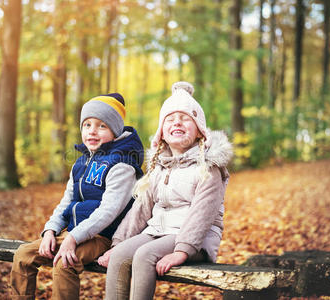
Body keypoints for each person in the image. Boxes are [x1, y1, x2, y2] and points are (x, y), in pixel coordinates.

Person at [98, 82, 233, 300]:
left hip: (194, 240)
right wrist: (120, 243)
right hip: (157, 232)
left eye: (185, 118)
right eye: (170, 119)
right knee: (121, 256)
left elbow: (202, 214)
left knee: (143, 256)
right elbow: (140, 209)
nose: (177, 122)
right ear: (161, 133)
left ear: (200, 131)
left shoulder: (208, 168)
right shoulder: (159, 166)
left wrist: (183, 250)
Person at [10, 93, 144, 300]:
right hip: (73, 233)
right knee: (23, 255)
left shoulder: (122, 165)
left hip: (102, 237)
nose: (92, 131)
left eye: (102, 126)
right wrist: (50, 230)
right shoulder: (80, 163)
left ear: (115, 131)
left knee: (65, 263)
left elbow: (108, 211)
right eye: (87, 125)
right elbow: (67, 201)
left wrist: (72, 238)